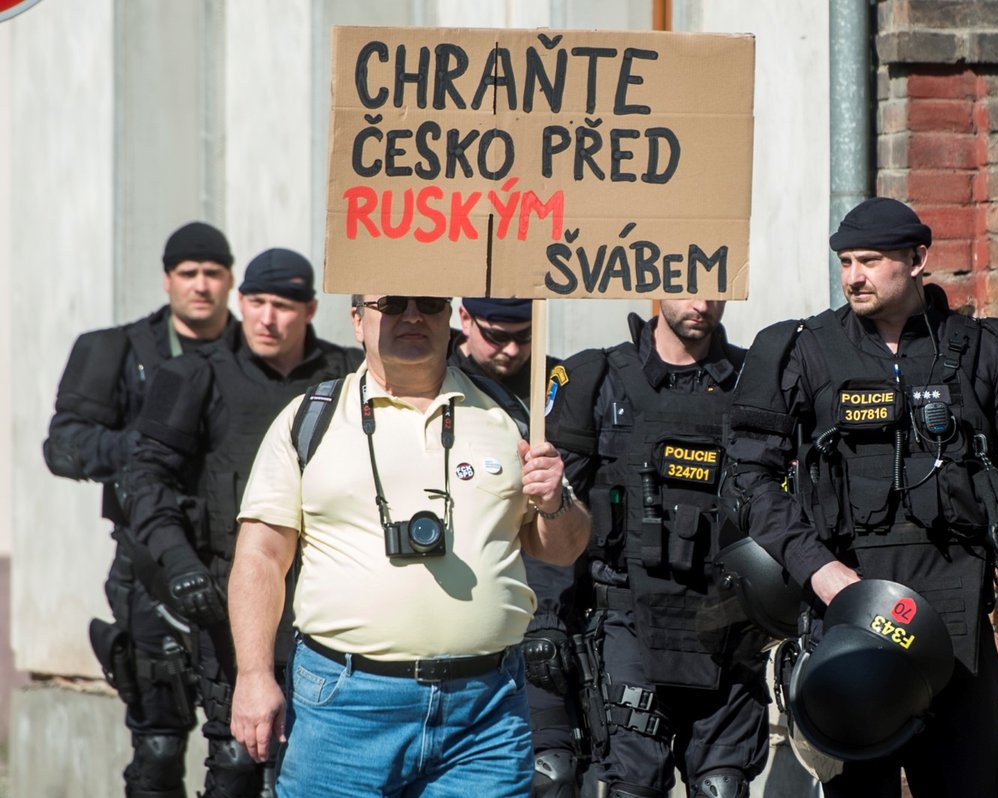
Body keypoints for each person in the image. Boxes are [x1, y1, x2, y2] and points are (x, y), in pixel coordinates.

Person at [725, 197, 998, 797]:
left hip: (957, 619)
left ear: (918, 259)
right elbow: (749, 479)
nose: (853, 277)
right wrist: (817, 570)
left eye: (869, 260)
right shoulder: (801, 351)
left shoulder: (987, 351)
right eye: (845, 262)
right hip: (845, 613)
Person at [226, 293, 591, 797]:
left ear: (452, 319)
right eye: (393, 304)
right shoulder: (310, 419)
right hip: (346, 707)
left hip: (485, 712)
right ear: (357, 320)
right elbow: (260, 556)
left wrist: (555, 502)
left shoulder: (509, 416)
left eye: (431, 303)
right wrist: (252, 674)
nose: (414, 316)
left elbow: (562, 548)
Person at [118, 247, 363, 798]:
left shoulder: (345, 375)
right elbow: (146, 482)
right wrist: (180, 565)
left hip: (327, 600)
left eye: (282, 305)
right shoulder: (194, 377)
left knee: (324, 758)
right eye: (256, 302)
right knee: (234, 759)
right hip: (234, 597)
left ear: (310, 309)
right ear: (241, 300)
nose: (267, 318)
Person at [43, 220, 239, 798]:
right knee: (158, 744)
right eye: (188, 273)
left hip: (236, 564)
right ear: (167, 279)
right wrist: (152, 443)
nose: (200, 285)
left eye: (212, 273)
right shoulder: (118, 350)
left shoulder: (255, 355)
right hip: (148, 566)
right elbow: (64, 446)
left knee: (239, 750)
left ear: (230, 280)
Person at [544, 300, 770, 798]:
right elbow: (552, 523)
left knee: (722, 787)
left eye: (714, 288)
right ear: (655, 286)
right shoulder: (595, 379)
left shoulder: (756, 379)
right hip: (625, 620)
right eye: (686, 286)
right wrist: (549, 626)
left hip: (725, 624)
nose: (701, 303)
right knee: (634, 786)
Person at [451, 297, 589, 798]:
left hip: (542, 608)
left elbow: (570, 530)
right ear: (464, 318)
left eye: (524, 336)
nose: (511, 349)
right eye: (496, 334)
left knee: (551, 773)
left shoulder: (558, 386)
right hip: (454, 612)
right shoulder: (435, 380)